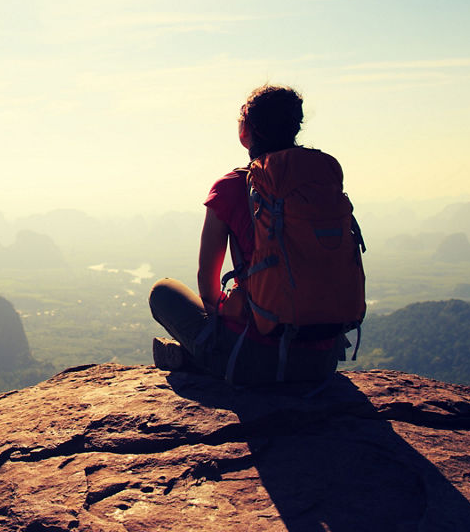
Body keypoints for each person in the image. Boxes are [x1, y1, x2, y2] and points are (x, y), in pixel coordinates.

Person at [149, 84, 349, 385]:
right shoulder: (319, 178)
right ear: (296, 127)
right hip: (323, 360)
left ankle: (200, 358)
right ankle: (199, 356)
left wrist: (234, 312)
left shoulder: (231, 187)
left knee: (163, 292)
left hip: (257, 363)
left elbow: (207, 285)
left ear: (246, 132)